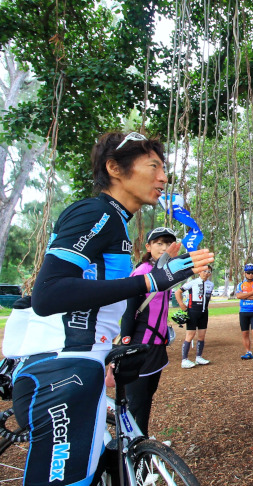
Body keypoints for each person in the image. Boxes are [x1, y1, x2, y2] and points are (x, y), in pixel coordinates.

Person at [5, 131, 213, 485]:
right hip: (59, 370)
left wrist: (106, 352)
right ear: (115, 168)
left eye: (164, 169)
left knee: (104, 468)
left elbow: (94, 296)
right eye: (154, 167)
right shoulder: (97, 213)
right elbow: (48, 294)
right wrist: (151, 281)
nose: (164, 177)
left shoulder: (116, 223)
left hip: (81, 364)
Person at [118, 226, 177, 436]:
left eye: (168, 244)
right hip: (140, 344)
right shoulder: (142, 271)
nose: (164, 248)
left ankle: (140, 439)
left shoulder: (166, 273)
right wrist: (126, 342)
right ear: (148, 247)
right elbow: (129, 310)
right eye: (159, 243)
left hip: (158, 345)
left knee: (147, 396)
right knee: (136, 401)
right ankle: (133, 446)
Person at [175, 264, 214, 368]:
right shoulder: (192, 282)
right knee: (190, 335)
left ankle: (199, 357)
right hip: (193, 311)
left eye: (209, 272)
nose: (207, 273)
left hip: (204, 312)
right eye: (204, 271)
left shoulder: (211, 284)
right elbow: (178, 292)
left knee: (202, 336)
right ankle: (184, 360)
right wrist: (182, 304)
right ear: (199, 272)